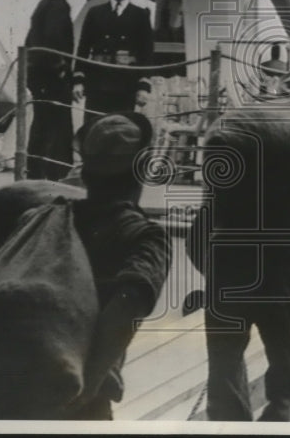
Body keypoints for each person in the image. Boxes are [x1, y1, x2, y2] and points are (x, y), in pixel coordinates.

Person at [191, 110, 290, 421]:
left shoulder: (229, 129)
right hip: (278, 267)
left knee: (223, 380)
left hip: (226, 263)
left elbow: (201, 228)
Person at [61, 112, 171, 419]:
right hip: (83, 391)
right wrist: (90, 384)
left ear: (84, 174)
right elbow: (127, 304)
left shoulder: (55, 216)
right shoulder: (144, 236)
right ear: (140, 173)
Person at [25, 0, 85, 180]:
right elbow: (53, 43)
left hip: (42, 78)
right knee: (56, 128)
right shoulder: (57, 4)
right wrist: (62, 74)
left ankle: (36, 174)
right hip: (52, 80)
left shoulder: (47, 1)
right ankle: (56, 176)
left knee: (42, 127)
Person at [76, 0, 155, 126]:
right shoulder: (95, 13)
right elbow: (82, 49)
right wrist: (78, 81)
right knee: (93, 132)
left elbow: (146, 54)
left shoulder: (140, 16)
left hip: (126, 87)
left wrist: (143, 86)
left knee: (122, 134)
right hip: (97, 86)